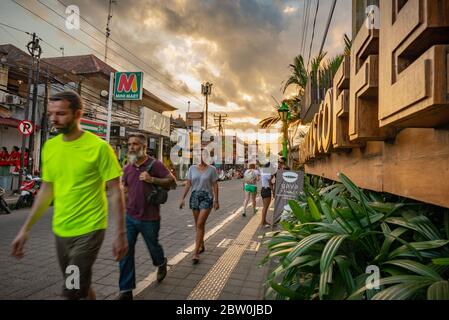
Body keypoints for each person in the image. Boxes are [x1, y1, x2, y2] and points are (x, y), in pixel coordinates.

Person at [10, 90, 128, 300]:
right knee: (81, 286)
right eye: (51, 113)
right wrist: (25, 229)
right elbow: (47, 190)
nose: (54, 119)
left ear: (78, 114)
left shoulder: (99, 148)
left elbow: (115, 191)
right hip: (61, 229)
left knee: (71, 289)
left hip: (90, 229)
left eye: (61, 113)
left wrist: (120, 234)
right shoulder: (50, 147)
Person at [118, 133, 175, 300]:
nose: (131, 147)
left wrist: (152, 179)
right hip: (130, 217)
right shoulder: (127, 167)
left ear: (144, 147)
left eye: (135, 144)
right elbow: (126, 189)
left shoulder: (155, 164)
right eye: (129, 144)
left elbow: (172, 182)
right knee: (126, 252)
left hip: (150, 218)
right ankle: (126, 289)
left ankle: (161, 262)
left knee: (153, 248)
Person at [179, 157, 219, 264]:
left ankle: (195, 253)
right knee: (198, 224)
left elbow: (215, 185)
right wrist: (182, 198)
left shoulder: (212, 169)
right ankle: (201, 244)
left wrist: (216, 200)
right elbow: (188, 183)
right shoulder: (192, 168)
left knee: (200, 223)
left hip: (207, 197)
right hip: (194, 197)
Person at [260, 162, 274, 227]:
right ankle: (263, 222)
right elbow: (270, 184)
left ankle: (264, 221)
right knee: (265, 207)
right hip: (267, 190)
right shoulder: (268, 173)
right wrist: (273, 191)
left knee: (264, 207)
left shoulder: (263, 172)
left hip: (263, 190)